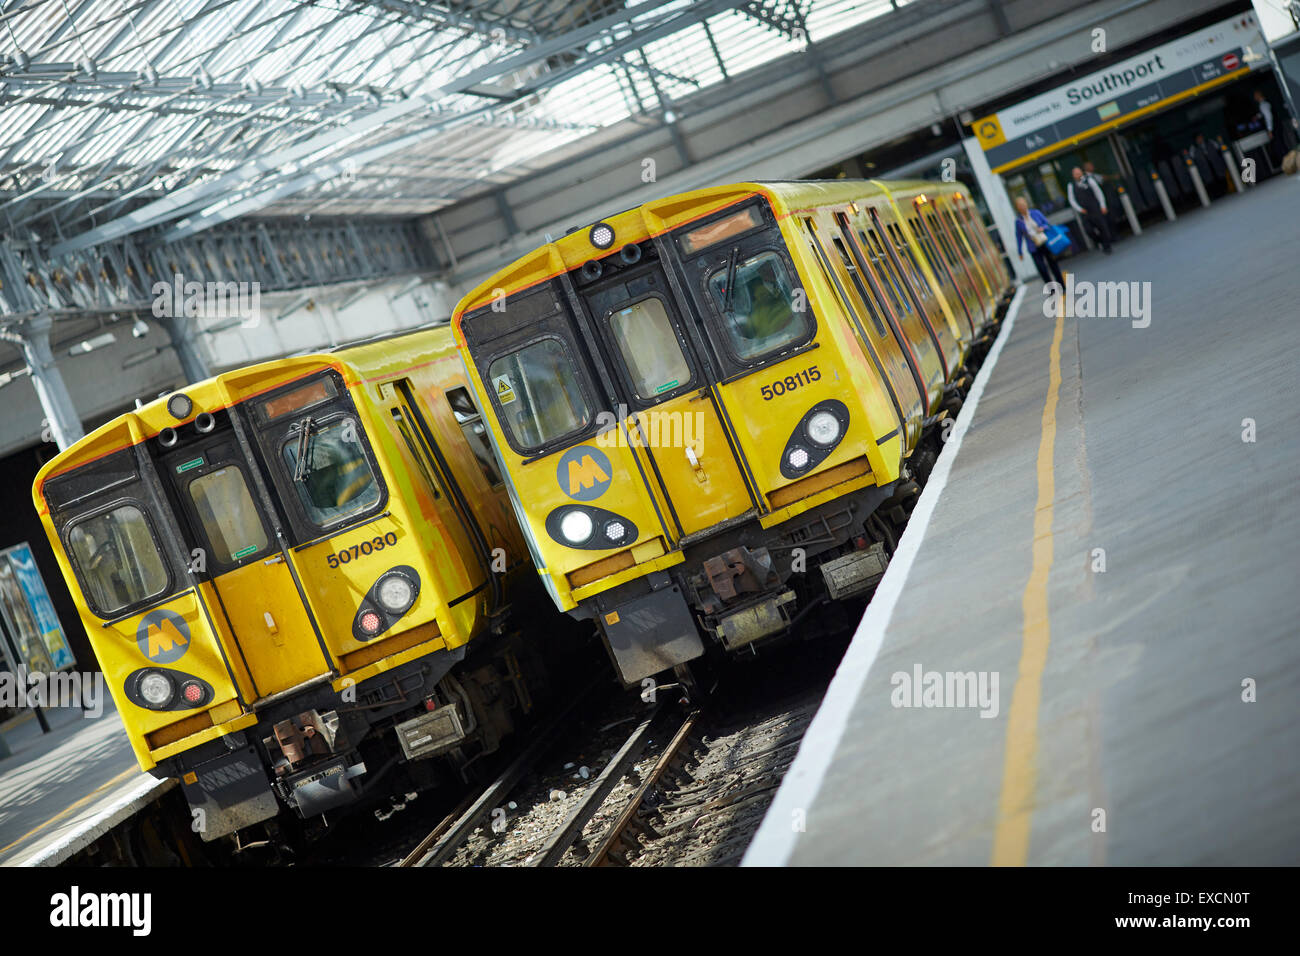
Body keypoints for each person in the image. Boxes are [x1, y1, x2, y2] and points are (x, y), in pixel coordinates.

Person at [1013, 195, 1064, 287]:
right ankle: (1051, 290)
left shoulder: (1035, 213)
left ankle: (1061, 285)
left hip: (1045, 242)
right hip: (1033, 246)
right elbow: (1019, 237)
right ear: (1017, 208)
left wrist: (1042, 228)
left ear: (1026, 204)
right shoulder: (1018, 221)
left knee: (1053, 264)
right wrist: (1020, 251)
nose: (1022, 207)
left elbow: (1047, 223)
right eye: (1020, 206)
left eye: (1023, 204)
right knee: (1042, 269)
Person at [1067, 166, 1112, 255]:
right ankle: (1100, 241)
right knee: (1088, 230)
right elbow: (1071, 199)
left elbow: (1098, 193)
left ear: (1082, 172)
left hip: (1094, 207)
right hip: (1084, 211)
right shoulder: (1071, 185)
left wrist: (1103, 205)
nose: (1077, 175)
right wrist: (1079, 209)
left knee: (1102, 227)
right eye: (1075, 174)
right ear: (1073, 175)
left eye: (1078, 172)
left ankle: (1107, 246)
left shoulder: (1089, 180)